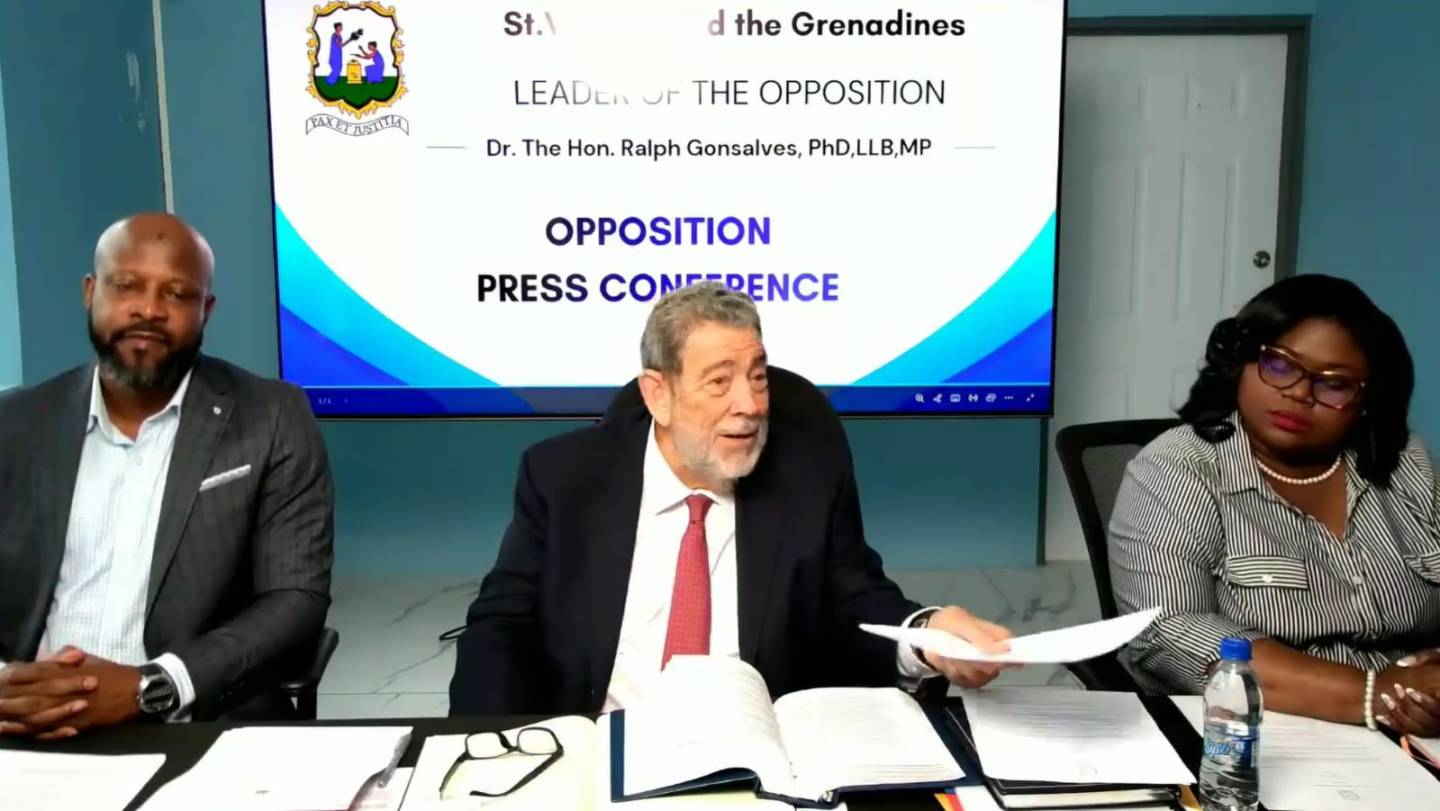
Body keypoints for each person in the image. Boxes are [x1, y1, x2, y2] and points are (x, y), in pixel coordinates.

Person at [450, 282, 1015, 715]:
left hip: (756, 756)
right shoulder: (564, 477)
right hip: (605, 742)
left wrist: (926, 633)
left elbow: (858, 601)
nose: (750, 405)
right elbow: (502, 627)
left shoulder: (805, 479)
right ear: (659, 395)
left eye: (758, 377)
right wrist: (486, 750)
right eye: (720, 382)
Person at [0, 213, 334, 739]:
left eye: (177, 294)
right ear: (90, 292)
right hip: (24, 724)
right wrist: (12, 688)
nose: (149, 310)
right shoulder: (15, 423)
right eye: (126, 285)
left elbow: (295, 598)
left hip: (191, 724)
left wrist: (153, 686)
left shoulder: (271, 417)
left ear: (206, 310)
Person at [1110, 275, 1440, 735]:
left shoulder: (1407, 464)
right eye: (1281, 366)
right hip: (1242, 728)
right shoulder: (1177, 467)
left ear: (1366, 400)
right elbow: (1169, 632)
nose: (1300, 394)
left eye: (1334, 384)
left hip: (1410, 732)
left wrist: (1429, 683)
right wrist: (1371, 692)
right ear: (1242, 363)